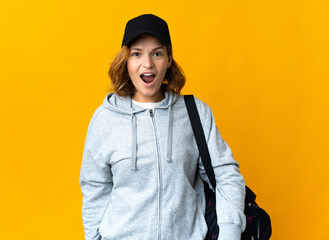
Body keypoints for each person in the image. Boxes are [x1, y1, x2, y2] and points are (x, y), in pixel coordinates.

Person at [79, 13, 246, 240]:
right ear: (126, 61)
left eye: (157, 53)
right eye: (137, 54)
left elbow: (226, 174)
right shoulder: (105, 119)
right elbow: (94, 189)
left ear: (168, 60)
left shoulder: (195, 113)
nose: (147, 64)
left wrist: (230, 232)